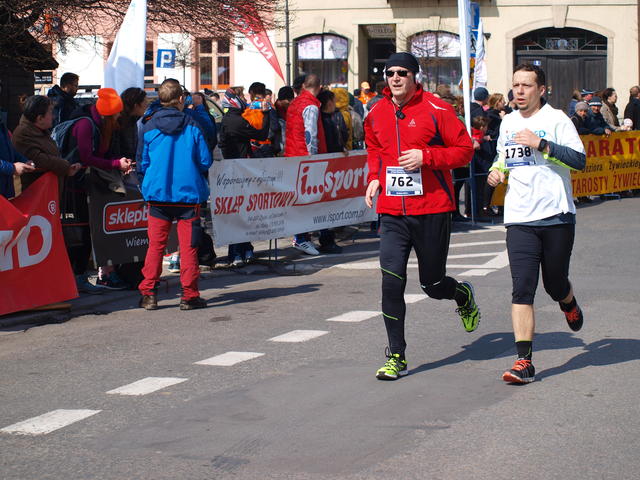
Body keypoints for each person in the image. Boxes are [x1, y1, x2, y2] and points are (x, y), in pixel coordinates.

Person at [364, 52, 480, 381]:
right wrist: (374, 177)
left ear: (416, 77)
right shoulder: (376, 111)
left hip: (432, 209)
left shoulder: (437, 109)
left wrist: (425, 156)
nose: (395, 78)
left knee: (433, 284)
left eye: (402, 72)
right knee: (391, 282)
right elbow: (375, 149)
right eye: (390, 73)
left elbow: (465, 150)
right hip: (392, 212)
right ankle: (396, 356)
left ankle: (461, 294)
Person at [487, 64, 586, 384]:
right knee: (522, 288)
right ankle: (523, 361)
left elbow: (579, 160)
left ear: (541, 90)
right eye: (515, 84)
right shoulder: (508, 122)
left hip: (556, 214)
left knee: (554, 283)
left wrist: (542, 145)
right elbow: (503, 157)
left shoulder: (556, 119)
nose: (519, 91)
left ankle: (567, 301)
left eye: (526, 85)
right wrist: (497, 171)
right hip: (519, 217)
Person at [137, 79, 213, 311]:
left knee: (155, 246)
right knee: (188, 247)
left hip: (158, 194)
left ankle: (149, 294)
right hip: (187, 195)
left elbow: (143, 162)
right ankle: (189, 295)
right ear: (181, 99)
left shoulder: (148, 125)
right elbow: (205, 160)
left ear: (160, 99)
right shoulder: (193, 124)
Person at [59, 87, 133, 294]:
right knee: (80, 232)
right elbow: (87, 158)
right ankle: (78, 277)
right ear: (108, 114)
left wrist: (118, 162)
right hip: (75, 186)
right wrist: (116, 164)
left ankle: (87, 275)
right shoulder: (85, 125)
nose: (119, 117)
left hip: (86, 183)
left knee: (91, 231)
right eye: (116, 113)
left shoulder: (98, 123)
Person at [218, 87, 270, 265]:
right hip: (238, 172)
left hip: (236, 170)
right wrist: (266, 114)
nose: (245, 100)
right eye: (242, 96)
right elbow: (261, 134)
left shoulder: (231, 118)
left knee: (242, 211)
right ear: (234, 99)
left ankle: (244, 248)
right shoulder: (235, 121)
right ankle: (237, 252)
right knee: (240, 213)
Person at [285, 74, 327, 255]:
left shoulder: (295, 102)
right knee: (306, 200)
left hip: (293, 155)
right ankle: (300, 238)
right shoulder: (311, 105)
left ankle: (302, 237)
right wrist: (313, 159)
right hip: (304, 159)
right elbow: (310, 134)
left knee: (300, 200)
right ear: (319, 87)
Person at [12, 95, 81, 194]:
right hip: (36, 193)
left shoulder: (40, 130)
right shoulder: (23, 134)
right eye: (50, 112)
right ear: (40, 118)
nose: (54, 116)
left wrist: (67, 167)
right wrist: (65, 166)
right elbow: (38, 159)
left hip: (48, 191)